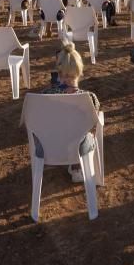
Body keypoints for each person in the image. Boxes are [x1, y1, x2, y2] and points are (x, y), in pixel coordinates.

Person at [30, 41, 101, 181]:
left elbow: (32, 123)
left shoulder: (43, 96)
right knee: (86, 132)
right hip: (77, 149)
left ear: (59, 72)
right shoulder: (89, 98)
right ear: (79, 72)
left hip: (48, 148)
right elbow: (95, 124)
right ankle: (77, 167)